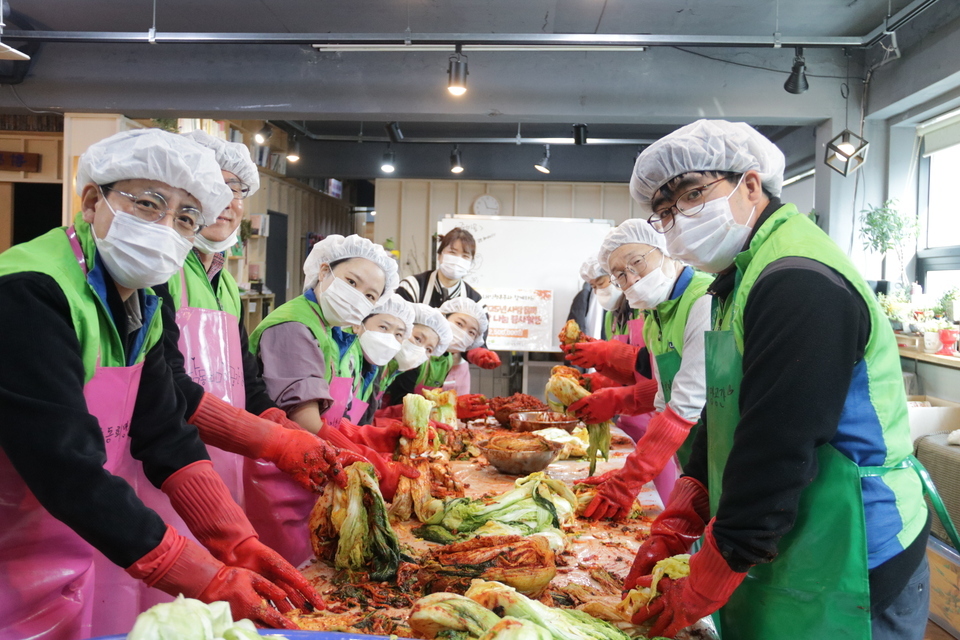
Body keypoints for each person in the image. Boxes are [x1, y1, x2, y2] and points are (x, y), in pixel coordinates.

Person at [0, 129, 321, 640]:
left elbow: (164, 430)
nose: (167, 227)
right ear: (91, 201)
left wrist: (235, 541)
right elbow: (65, 466)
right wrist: (206, 576)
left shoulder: (141, 302)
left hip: (65, 543)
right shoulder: (32, 292)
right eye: (149, 204)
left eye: (186, 218)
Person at [624, 119, 930, 640]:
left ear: (749, 184)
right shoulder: (737, 277)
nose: (679, 220)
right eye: (666, 210)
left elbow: (778, 442)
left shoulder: (796, 278)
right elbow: (730, 415)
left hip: (854, 541)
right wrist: (683, 514)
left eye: (694, 193)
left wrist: (712, 574)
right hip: (790, 527)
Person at [147, 131, 363, 574]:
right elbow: (163, 384)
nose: (230, 200)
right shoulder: (159, 272)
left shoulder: (224, 282)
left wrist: (285, 431)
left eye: (239, 190)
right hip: (161, 470)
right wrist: (277, 439)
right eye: (216, 185)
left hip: (222, 464)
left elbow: (246, 381)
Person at [249, 236, 418, 503]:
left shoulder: (329, 329)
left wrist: (374, 437)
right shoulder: (295, 325)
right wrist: (372, 465)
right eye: (351, 282)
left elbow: (328, 415)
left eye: (370, 295)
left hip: (310, 467)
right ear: (324, 271)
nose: (357, 297)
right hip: (275, 477)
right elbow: (305, 421)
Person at [570, 219, 713, 519]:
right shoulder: (654, 318)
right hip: (691, 454)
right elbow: (663, 399)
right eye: (619, 275)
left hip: (722, 447)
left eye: (637, 263)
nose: (631, 279)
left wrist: (629, 480)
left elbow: (685, 405)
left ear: (666, 250)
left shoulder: (703, 300)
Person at [396, 227, 501, 391]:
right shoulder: (413, 287)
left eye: (465, 256)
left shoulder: (475, 301)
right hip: (409, 367)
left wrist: (478, 354)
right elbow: (395, 324)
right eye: (452, 252)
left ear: (471, 263)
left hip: (455, 372)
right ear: (439, 255)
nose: (458, 259)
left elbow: (477, 343)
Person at [348, 293, 415, 423]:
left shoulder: (373, 369)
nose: (390, 338)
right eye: (383, 327)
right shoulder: (348, 359)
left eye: (398, 334)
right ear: (358, 324)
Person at [381, 302, 454, 407]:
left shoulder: (392, 371)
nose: (420, 350)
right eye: (418, 339)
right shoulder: (373, 364)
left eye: (428, 349)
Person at [567, 256, 619, 341]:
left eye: (601, 283)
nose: (597, 291)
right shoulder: (609, 315)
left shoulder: (634, 305)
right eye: (593, 287)